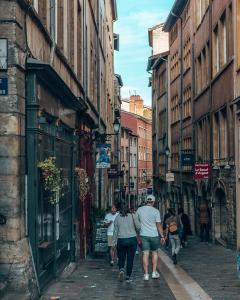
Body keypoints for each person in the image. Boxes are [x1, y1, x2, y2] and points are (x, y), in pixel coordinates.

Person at [136, 195, 165, 281]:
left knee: (145, 253)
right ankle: (153, 272)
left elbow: (137, 222)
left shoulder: (139, 210)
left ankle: (146, 274)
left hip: (143, 235)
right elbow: (158, 225)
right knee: (155, 253)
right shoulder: (156, 211)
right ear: (153, 201)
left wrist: (137, 233)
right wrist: (162, 236)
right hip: (154, 235)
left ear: (146, 201)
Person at [113, 204, 140, 282]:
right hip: (132, 239)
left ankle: (121, 269)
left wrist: (114, 242)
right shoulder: (133, 216)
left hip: (121, 240)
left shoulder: (117, 217)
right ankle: (128, 275)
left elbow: (115, 231)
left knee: (121, 257)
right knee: (130, 258)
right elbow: (138, 227)